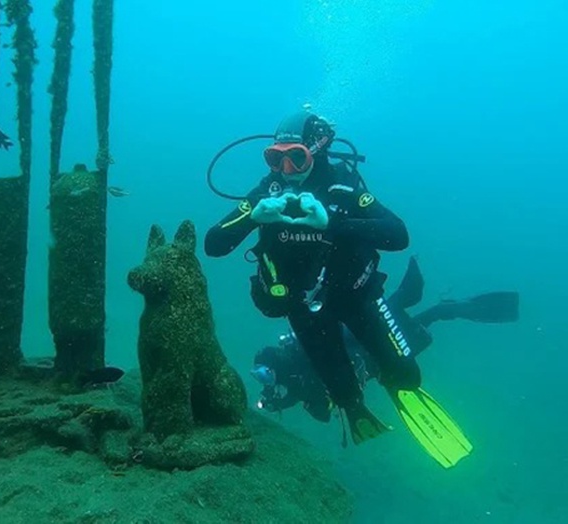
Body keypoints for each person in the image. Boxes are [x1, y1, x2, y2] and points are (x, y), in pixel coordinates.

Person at [204, 109, 477, 468]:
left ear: (316, 151)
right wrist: (252, 215)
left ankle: (393, 374)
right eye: (276, 158)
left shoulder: (341, 187)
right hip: (304, 310)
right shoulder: (265, 195)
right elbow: (214, 244)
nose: (285, 170)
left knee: (408, 376)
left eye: (296, 157)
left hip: (357, 297)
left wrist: (333, 222)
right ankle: (357, 397)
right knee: (345, 395)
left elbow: (398, 234)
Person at [251, 256, 519, 429]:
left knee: (410, 322)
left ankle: (416, 298)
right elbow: (313, 399)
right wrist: (278, 402)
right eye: (260, 376)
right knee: (397, 320)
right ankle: (413, 297)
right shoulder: (297, 371)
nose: (265, 380)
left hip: (376, 357)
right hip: (369, 346)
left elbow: (320, 408)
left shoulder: (300, 374)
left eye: (264, 374)